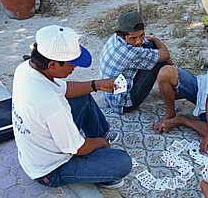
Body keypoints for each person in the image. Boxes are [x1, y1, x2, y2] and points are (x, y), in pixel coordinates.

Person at [12, 25, 132, 189]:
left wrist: (96, 84)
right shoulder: (51, 104)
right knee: (122, 162)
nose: (74, 67)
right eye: (71, 64)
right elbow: (77, 149)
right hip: (50, 170)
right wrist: (100, 143)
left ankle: (100, 137)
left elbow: (65, 89)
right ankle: (103, 167)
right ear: (53, 64)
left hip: (38, 151)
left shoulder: (26, 68)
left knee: (82, 93)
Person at [99, 11, 171, 114]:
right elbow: (165, 54)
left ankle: (172, 83)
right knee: (158, 62)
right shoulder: (128, 52)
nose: (138, 41)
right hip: (124, 103)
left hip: (111, 98)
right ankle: (173, 89)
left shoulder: (115, 38)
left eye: (141, 35)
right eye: (133, 38)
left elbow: (145, 43)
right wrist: (156, 39)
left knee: (150, 47)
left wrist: (151, 43)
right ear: (121, 35)